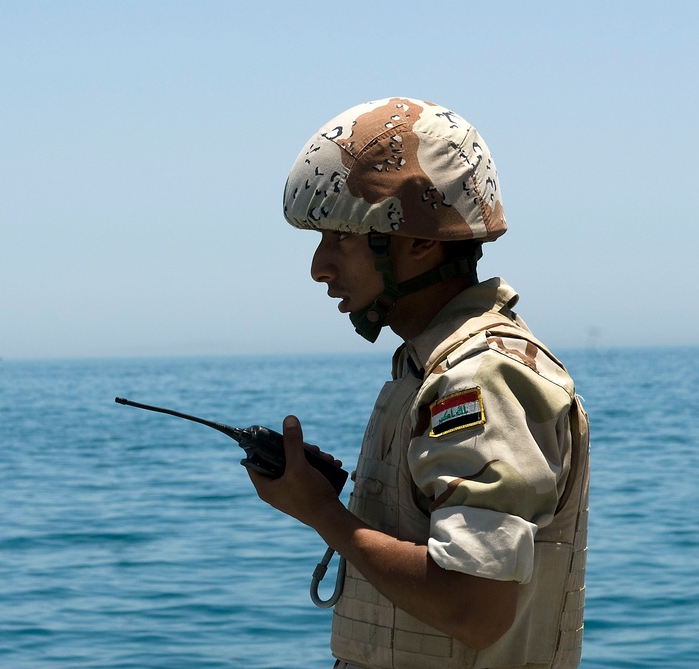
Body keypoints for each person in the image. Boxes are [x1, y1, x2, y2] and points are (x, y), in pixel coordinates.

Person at [248, 97, 590, 669]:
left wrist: (322, 514)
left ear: (420, 243)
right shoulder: (432, 366)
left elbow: (474, 609)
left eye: (342, 238)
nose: (319, 266)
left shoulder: (478, 377)